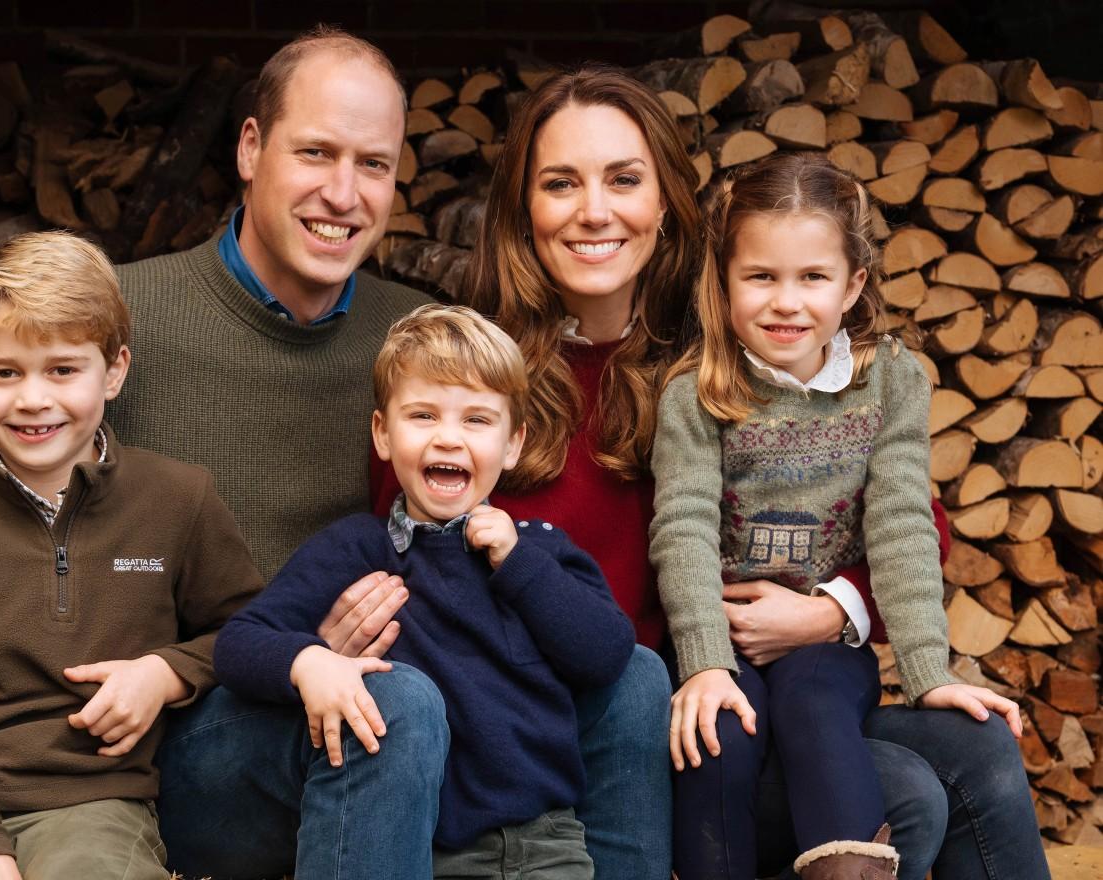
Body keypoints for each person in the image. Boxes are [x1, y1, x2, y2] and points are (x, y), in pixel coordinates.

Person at [0, 28, 672, 880]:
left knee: (629, 675)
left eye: (372, 164)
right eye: (316, 153)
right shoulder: (124, 323)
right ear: (251, 148)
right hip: (199, 733)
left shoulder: (408, 339)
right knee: (393, 701)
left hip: (374, 719)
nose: (343, 192)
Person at [454, 64, 1050, 880]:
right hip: (631, 717)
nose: (595, 210)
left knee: (978, 752)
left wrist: (830, 611)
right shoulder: (480, 378)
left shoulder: (723, 349)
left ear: (665, 202)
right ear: (525, 205)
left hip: (789, 669)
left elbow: (917, 521)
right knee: (909, 792)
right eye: (561, 183)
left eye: (623, 179)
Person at [649, 154, 1025, 879]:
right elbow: (684, 524)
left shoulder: (890, 380)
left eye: (812, 278)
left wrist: (927, 671)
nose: (786, 301)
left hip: (823, 648)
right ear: (723, 282)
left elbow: (903, 522)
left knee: (816, 705)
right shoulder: (696, 394)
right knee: (716, 735)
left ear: (852, 285)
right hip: (719, 634)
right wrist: (702, 663)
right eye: (760, 276)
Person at [0, 231, 265, 879]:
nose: (32, 399)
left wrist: (165, 672)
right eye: (4, 372)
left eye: (62, 369)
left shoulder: (177, 499)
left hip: (96, 805)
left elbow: (249, 632)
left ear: (114, 371)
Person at [216, 304, 636, 878]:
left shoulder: (540, 551)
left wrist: (518, 563)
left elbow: (609, 653)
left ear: (513, 445)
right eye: (423, 415)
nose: (448, 439)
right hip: (427, 845)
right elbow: (240, 642)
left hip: (548, 841)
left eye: (477, 421)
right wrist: (310, 662)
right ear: (383, 434)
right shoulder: (358, 550)